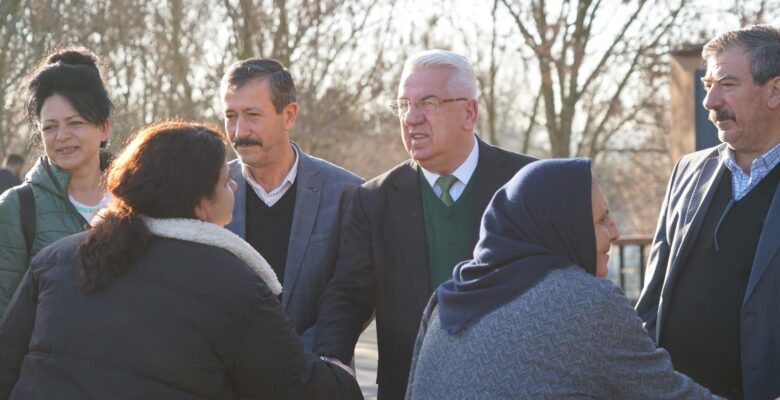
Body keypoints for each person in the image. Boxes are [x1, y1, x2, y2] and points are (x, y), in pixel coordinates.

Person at [0, 121, 362, 399]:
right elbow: (296, 387)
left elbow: (7, 364)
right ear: (200, 203)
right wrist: (340, 375)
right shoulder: (235, 285)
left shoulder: (57, 258)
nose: (234, 186)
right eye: (225, 181)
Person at [313, 49, 536, 399]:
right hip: (410, 388)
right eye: (403, 104)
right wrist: (332, 359)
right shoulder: (373, 199)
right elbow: (348, 295)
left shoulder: (528, 184)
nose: (411, 118)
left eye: (428, 102)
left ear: (469, 112)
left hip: (515, 387)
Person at [405, 159, 721, 399]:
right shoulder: (588, 303)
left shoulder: (446, 299)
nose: (615, 232)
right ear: (562, 228)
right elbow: (668, 394)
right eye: (601, 220)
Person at [636, 25, 780, 400]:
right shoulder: (688, 170)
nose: (710, 101)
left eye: (727, 84)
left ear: (775, 91)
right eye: (707, 85)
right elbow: (653, 295)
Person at [220, 58, 363, 350]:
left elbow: (356, 298)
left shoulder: (349, 194)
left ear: (289, 115)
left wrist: (300, 363)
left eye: (252, 115)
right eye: (231, 116)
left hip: (316, 379)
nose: (239, 132)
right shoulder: (205, 192)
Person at [0, 47, 113, 315]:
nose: (61, 136)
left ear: (104, 128)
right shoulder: (17, 207)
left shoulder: (137, 199)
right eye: (49, 127)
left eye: (75, 123)